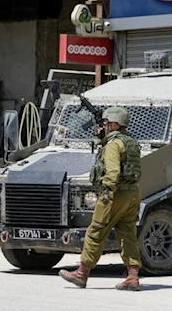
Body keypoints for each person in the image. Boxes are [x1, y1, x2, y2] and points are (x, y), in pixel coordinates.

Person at [59, 106, 143, 291]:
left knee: (96, 231)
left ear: (114, 124)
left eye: (106, 123)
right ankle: (133, 276)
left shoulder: (114, 145)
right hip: (132, 195)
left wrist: (107, 194)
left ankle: (81, 273)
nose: (104, 126)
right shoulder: (130, 142)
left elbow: (112, 171)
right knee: (128, 234)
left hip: (115, 194)